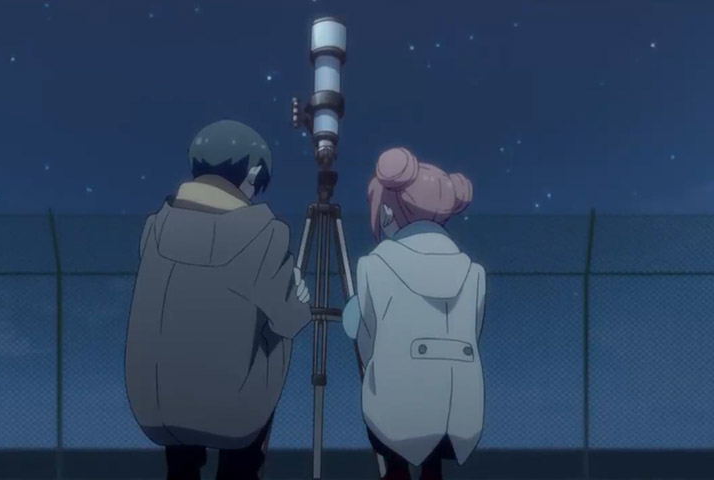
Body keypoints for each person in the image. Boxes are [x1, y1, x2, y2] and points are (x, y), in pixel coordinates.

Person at [124, 119, 312, 480]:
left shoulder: (154, 227)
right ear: (252, 173)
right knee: (273, 330)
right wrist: (297, 296)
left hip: (154, 410)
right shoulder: (266, 234)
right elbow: (291, 319)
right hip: (233, 418)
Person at [342, 147, 487, 480]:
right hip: (460, 416)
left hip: (398, 415)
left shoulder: (372, 267)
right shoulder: (474, 273)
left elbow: (365, 343)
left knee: (393, 446)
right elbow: (472, 333)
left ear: (388, 212)